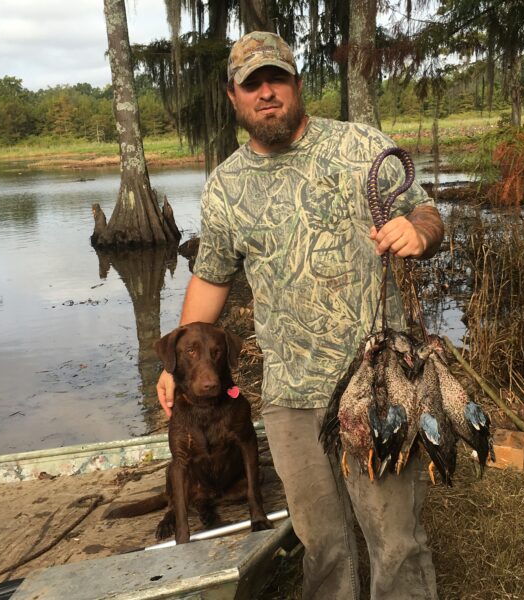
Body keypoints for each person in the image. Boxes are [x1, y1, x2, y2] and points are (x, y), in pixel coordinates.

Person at [157, 31, 444, 600]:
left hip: (377, 384)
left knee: (396, 542)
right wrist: (174, 368)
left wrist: (420, 232)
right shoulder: (226, 187)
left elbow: (426, 210)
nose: (267, 93)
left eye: (276, 79)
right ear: (234, 97)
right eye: (252, 84)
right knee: (323, 543)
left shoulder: (359, 146)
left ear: (297, 84)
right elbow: (211, 276)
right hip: (290, 397)